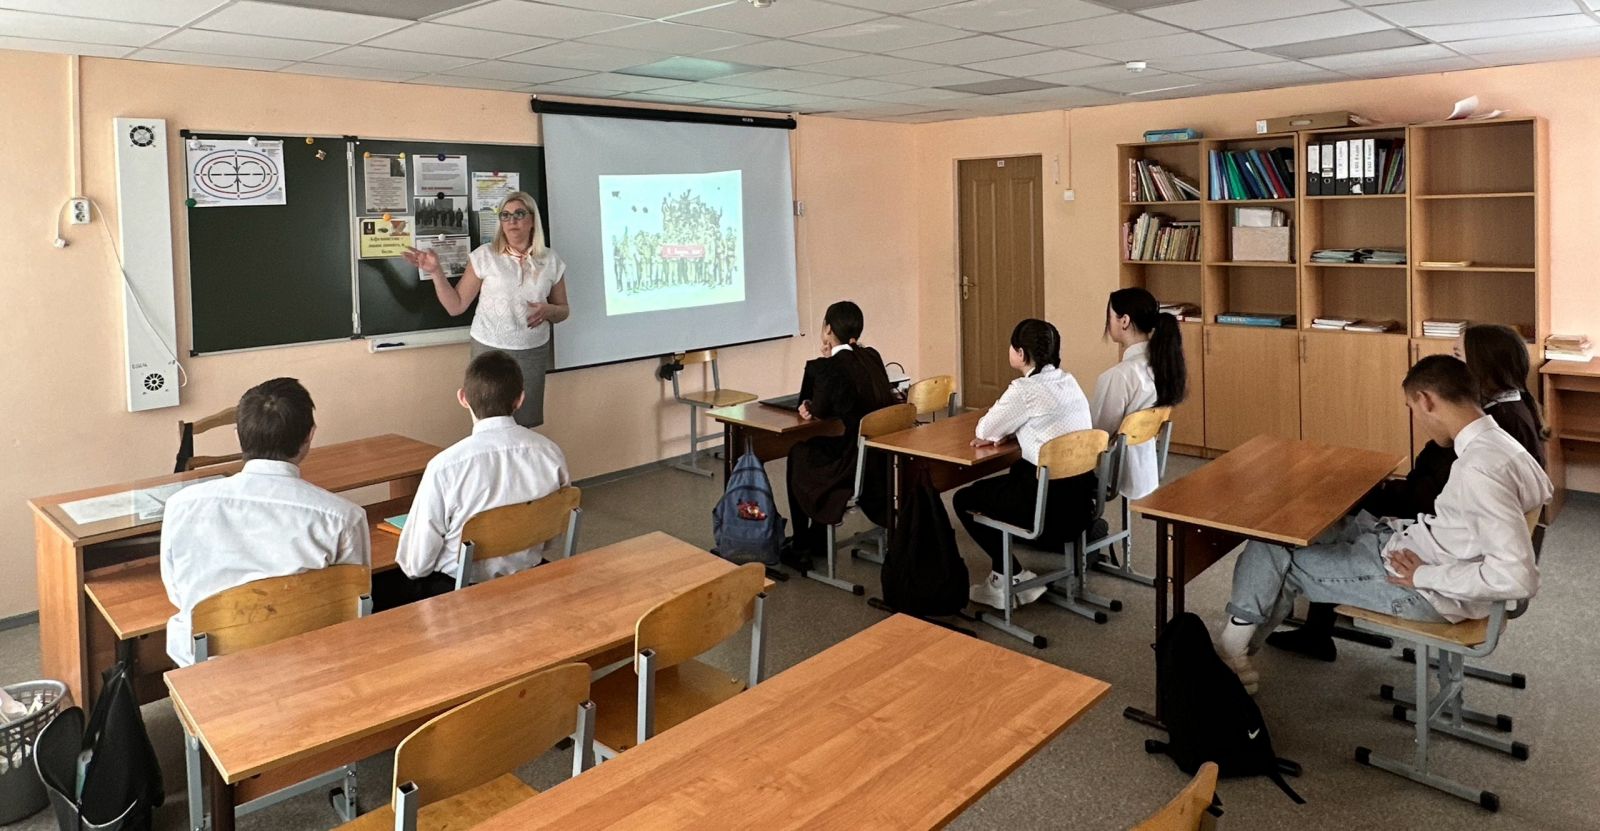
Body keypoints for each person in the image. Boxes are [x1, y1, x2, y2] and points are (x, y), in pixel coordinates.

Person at [1220, 355, 1550, 694]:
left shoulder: (1479, 468)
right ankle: (1236, 653)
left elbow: (1517, 577)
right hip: (1412, 546)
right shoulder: (1503, 445)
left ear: (1426, 400)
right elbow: (1477, 527)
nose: (1417, 419)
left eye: (1412, 408)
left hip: (1421, 589)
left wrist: (1424, 576)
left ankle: (1231, 658)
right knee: (1291, 529)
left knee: (1278, 551)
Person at [160, 378, 369, 667]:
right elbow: (353, 601)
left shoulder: (180, 505)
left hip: (204, 666)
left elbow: (178, 593)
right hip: (305, 663)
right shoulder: (344, 517)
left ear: (237, 435)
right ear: (309, 436)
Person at [385, 350, 571, 606]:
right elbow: (553, 535)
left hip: (460, 591)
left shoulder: (445, 467)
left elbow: (416, 565)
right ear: (520, 399)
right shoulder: (550, 453)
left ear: (463, 398)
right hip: (531, 578)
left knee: (384, 584)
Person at [953, 319, 1098, 609]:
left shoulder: (1025, 390)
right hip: (1080, 503)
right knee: (1007, 478)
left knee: (964, 499)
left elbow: (985, 430)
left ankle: (1008, 576)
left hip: (1045, 507)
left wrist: (1004, 430)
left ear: (1020, 353)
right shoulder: (1068, 380)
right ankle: (1012, 574)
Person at [403, 192, 569, 429]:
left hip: (531, 352)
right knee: (488, 422)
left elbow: (563, 311)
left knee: (524, 425)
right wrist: (436, 272)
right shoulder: (485, 255)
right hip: (489, 350)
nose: (512, 221)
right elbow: (456, 306)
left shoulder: (551, 260)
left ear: (533, 220)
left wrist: (549, 310)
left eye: (519, 214)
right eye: (505, 215)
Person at [782, 301, 896, 571]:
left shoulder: (831, 367)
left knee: (799, 453)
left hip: (852, 462)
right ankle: (818, 537)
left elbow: (816, 409)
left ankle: (802, 544)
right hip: (878, 458)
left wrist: (822, 369)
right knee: (816, 447)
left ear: (828, 330)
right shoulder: (872, 356)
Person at [1091, 287, 1187, 501]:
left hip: (1115, 470)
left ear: (1124, 321)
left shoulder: (1119, 375)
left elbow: (1099, 433)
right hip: (1146, 466)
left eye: (1109, 317)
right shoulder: (1163, 365)